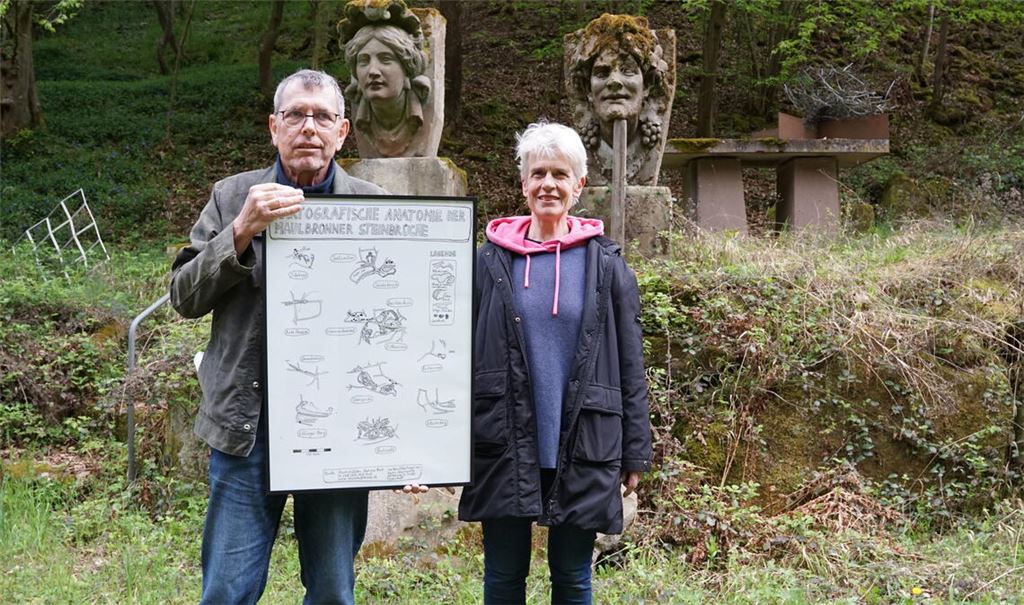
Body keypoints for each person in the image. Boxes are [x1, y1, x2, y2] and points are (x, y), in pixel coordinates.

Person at [170, 68, 423, 605]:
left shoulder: (373, 203)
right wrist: (240, 231)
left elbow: (400, 327)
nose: (308, 127)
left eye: (323, 117)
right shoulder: (233, 195)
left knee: (333, 591)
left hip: (341, 430)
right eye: (295, 115)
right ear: (273, 126)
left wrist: (405, 442)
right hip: (247, 426)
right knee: (226, 591)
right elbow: (184, 298)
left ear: (343, 131)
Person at [458, 122, 652, 604]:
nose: (549, 184)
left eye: (560, 174)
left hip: (586, 438)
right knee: (503, 577)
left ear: (578, 185)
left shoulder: (606, 267)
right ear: (523, 183)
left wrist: (635, 451)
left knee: (572, 577)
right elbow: (453, 355)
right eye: (538, 173)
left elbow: (630, 362)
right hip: (501, 437)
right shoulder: (487, 262)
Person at [344, 23, 431, 157]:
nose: (373, 71)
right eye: (364, 61)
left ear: (407, 69)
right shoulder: (362, 122)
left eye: (385, 59)